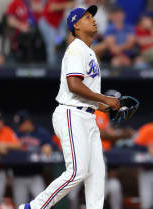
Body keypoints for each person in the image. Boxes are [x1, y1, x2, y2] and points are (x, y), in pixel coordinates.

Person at [18, 5, 120, 209]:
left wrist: (103, 106)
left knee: (97, 174)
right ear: (76, 25)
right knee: (77, 171)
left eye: (93, 16)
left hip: (86, 115)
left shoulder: (89, 51)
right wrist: (105, 99)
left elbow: (84, 94)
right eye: (87, 17)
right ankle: (33, 207)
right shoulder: (76, 48)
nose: (93, 19)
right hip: (71, 114)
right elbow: (74, 85)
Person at [66, 108, 134, 209]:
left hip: (97, 159)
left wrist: (120, 134)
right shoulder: (94, 113)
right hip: (86, 158)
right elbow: (100, 132)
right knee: (73, 193)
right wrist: (120, 134)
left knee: (106, 188)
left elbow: (109, 132)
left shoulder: (104, 116)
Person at [12, 110, 55, 207]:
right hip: (19, 175)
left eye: (21, 123)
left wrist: (49, 145)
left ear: (28, 122)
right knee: (20, 205)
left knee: (43, 204)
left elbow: (52, 143)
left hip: (36, 175)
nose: (19, 126)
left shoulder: (40, 132)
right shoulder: (15, 134)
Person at [38, 0, 74, 66]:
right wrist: (67, 4)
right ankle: (51, 70)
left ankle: (60, 67)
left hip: (58, 23)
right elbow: (52, 7)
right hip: (47, 22)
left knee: (60, 40)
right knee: (51, 46)